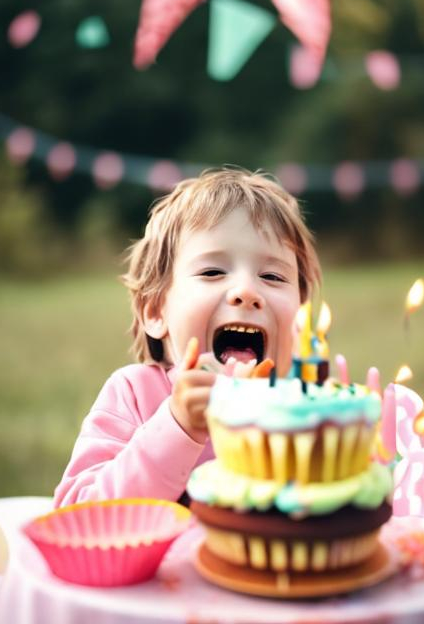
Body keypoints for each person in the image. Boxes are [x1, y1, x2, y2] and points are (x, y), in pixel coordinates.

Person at [53, 168, 322, 507]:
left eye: (272, 276)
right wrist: (178, 426)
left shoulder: (312, 407)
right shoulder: (135, 396)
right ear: (155, 311)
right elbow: (76, 516)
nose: (246, 291)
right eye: (212, 272)